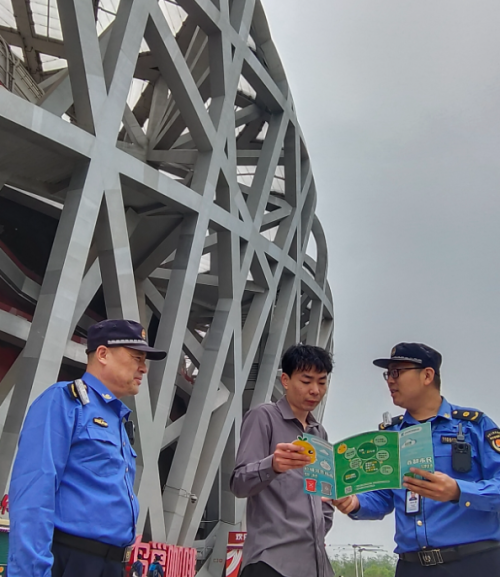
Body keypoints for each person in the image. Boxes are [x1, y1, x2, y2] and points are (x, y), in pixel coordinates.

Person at [7, 319, 167, 577]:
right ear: (102, 354)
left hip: (111, 564)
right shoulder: (65, 402)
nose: (143, 368)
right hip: (72, 559)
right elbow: (34, 493)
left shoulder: (118, 420)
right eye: (137, 357)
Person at [333, 342, 500, 576]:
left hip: (472, 562)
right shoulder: (390, 436)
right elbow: (383, 496)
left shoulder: (474, 426)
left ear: (427, 375)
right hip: (412, 566)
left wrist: (458, 491)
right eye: (387, 374)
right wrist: (355, 503)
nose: (390, 380)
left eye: (397, 372)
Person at [230, 344, 334, 577]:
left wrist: (325, 517)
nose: (315, 390)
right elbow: (238, 483)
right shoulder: (263, 417)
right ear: (285, 380)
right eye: (306, 381)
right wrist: (273, 465)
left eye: (322, 381)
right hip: (271, 562)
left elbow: (324, 492)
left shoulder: (319, 433)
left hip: (315, 563)